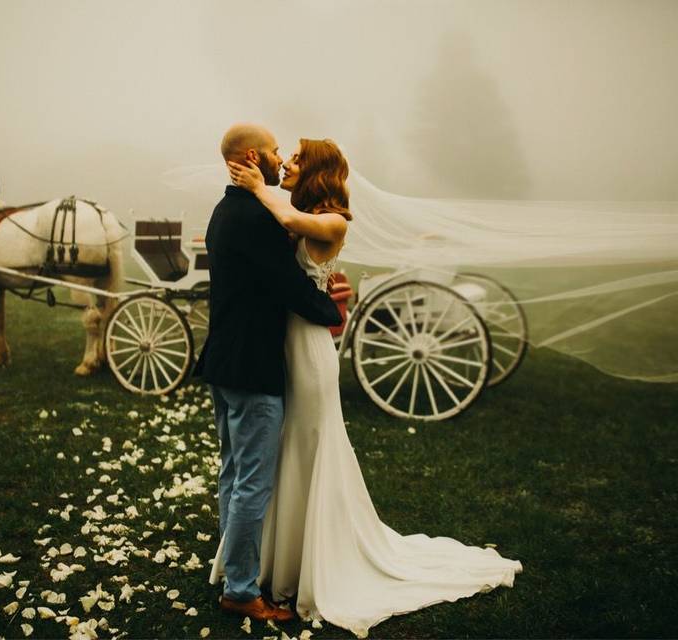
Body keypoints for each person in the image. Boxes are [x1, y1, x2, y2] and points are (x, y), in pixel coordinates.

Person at [210, 137, 524, 638]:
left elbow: (294, 228)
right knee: (280, 452)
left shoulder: (331, 220)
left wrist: (256, 185)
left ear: (315, 171)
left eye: (294, 158)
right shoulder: (288, 208)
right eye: (281, 155)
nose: (286, 162)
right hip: (277, 345)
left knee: (309, 445)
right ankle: (273, 560)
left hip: (306, 348)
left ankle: (303, 560)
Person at [194, 123, 344, 622]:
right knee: (252, 481)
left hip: (226, 361)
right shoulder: (254, 217)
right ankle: (240, 588)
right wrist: (330, 311)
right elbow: (289, 287)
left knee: (234, 473)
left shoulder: (226, 209)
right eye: (278, 151)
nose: (283, 158)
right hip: (254, 364)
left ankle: (235, 568)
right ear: (254, 158)